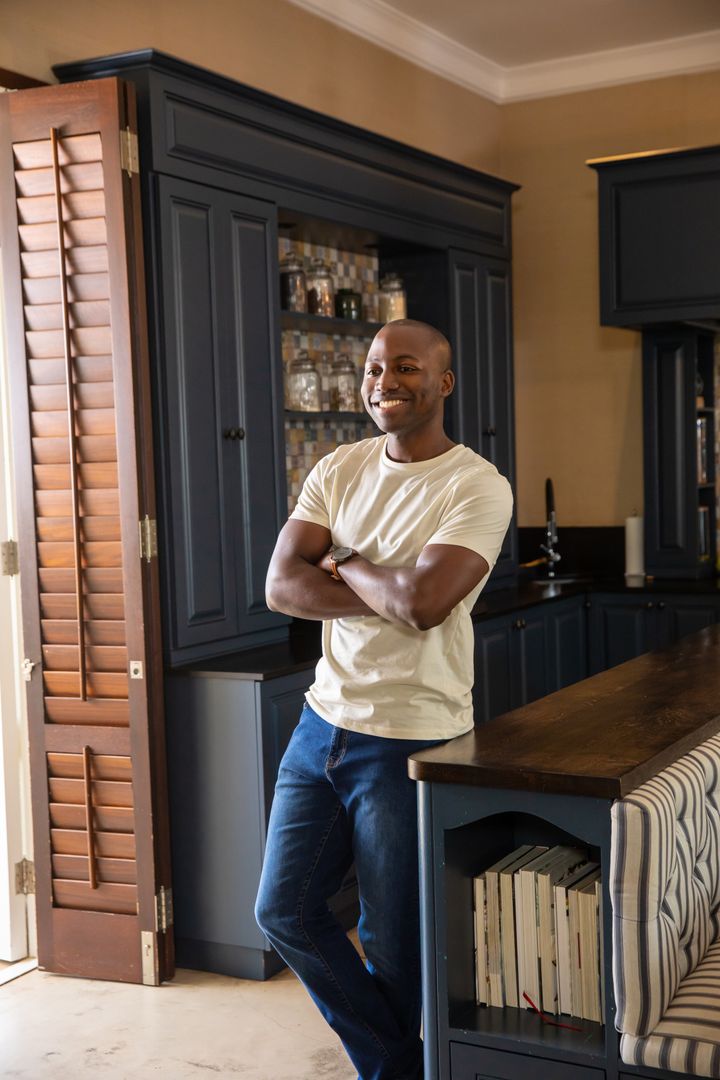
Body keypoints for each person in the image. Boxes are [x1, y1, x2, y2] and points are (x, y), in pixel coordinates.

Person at [255, 319, 513, 1080]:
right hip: (322, 725)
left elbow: (427, 603)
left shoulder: (475, 484)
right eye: (372, 369)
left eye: (404, 367)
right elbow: (280, 586)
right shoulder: (339, 468)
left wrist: (350, 561)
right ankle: (399, 1067)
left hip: (413, 738)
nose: (383, 383)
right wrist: (387, 587)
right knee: (283, 912)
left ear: (443, 383)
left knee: (394, 943)